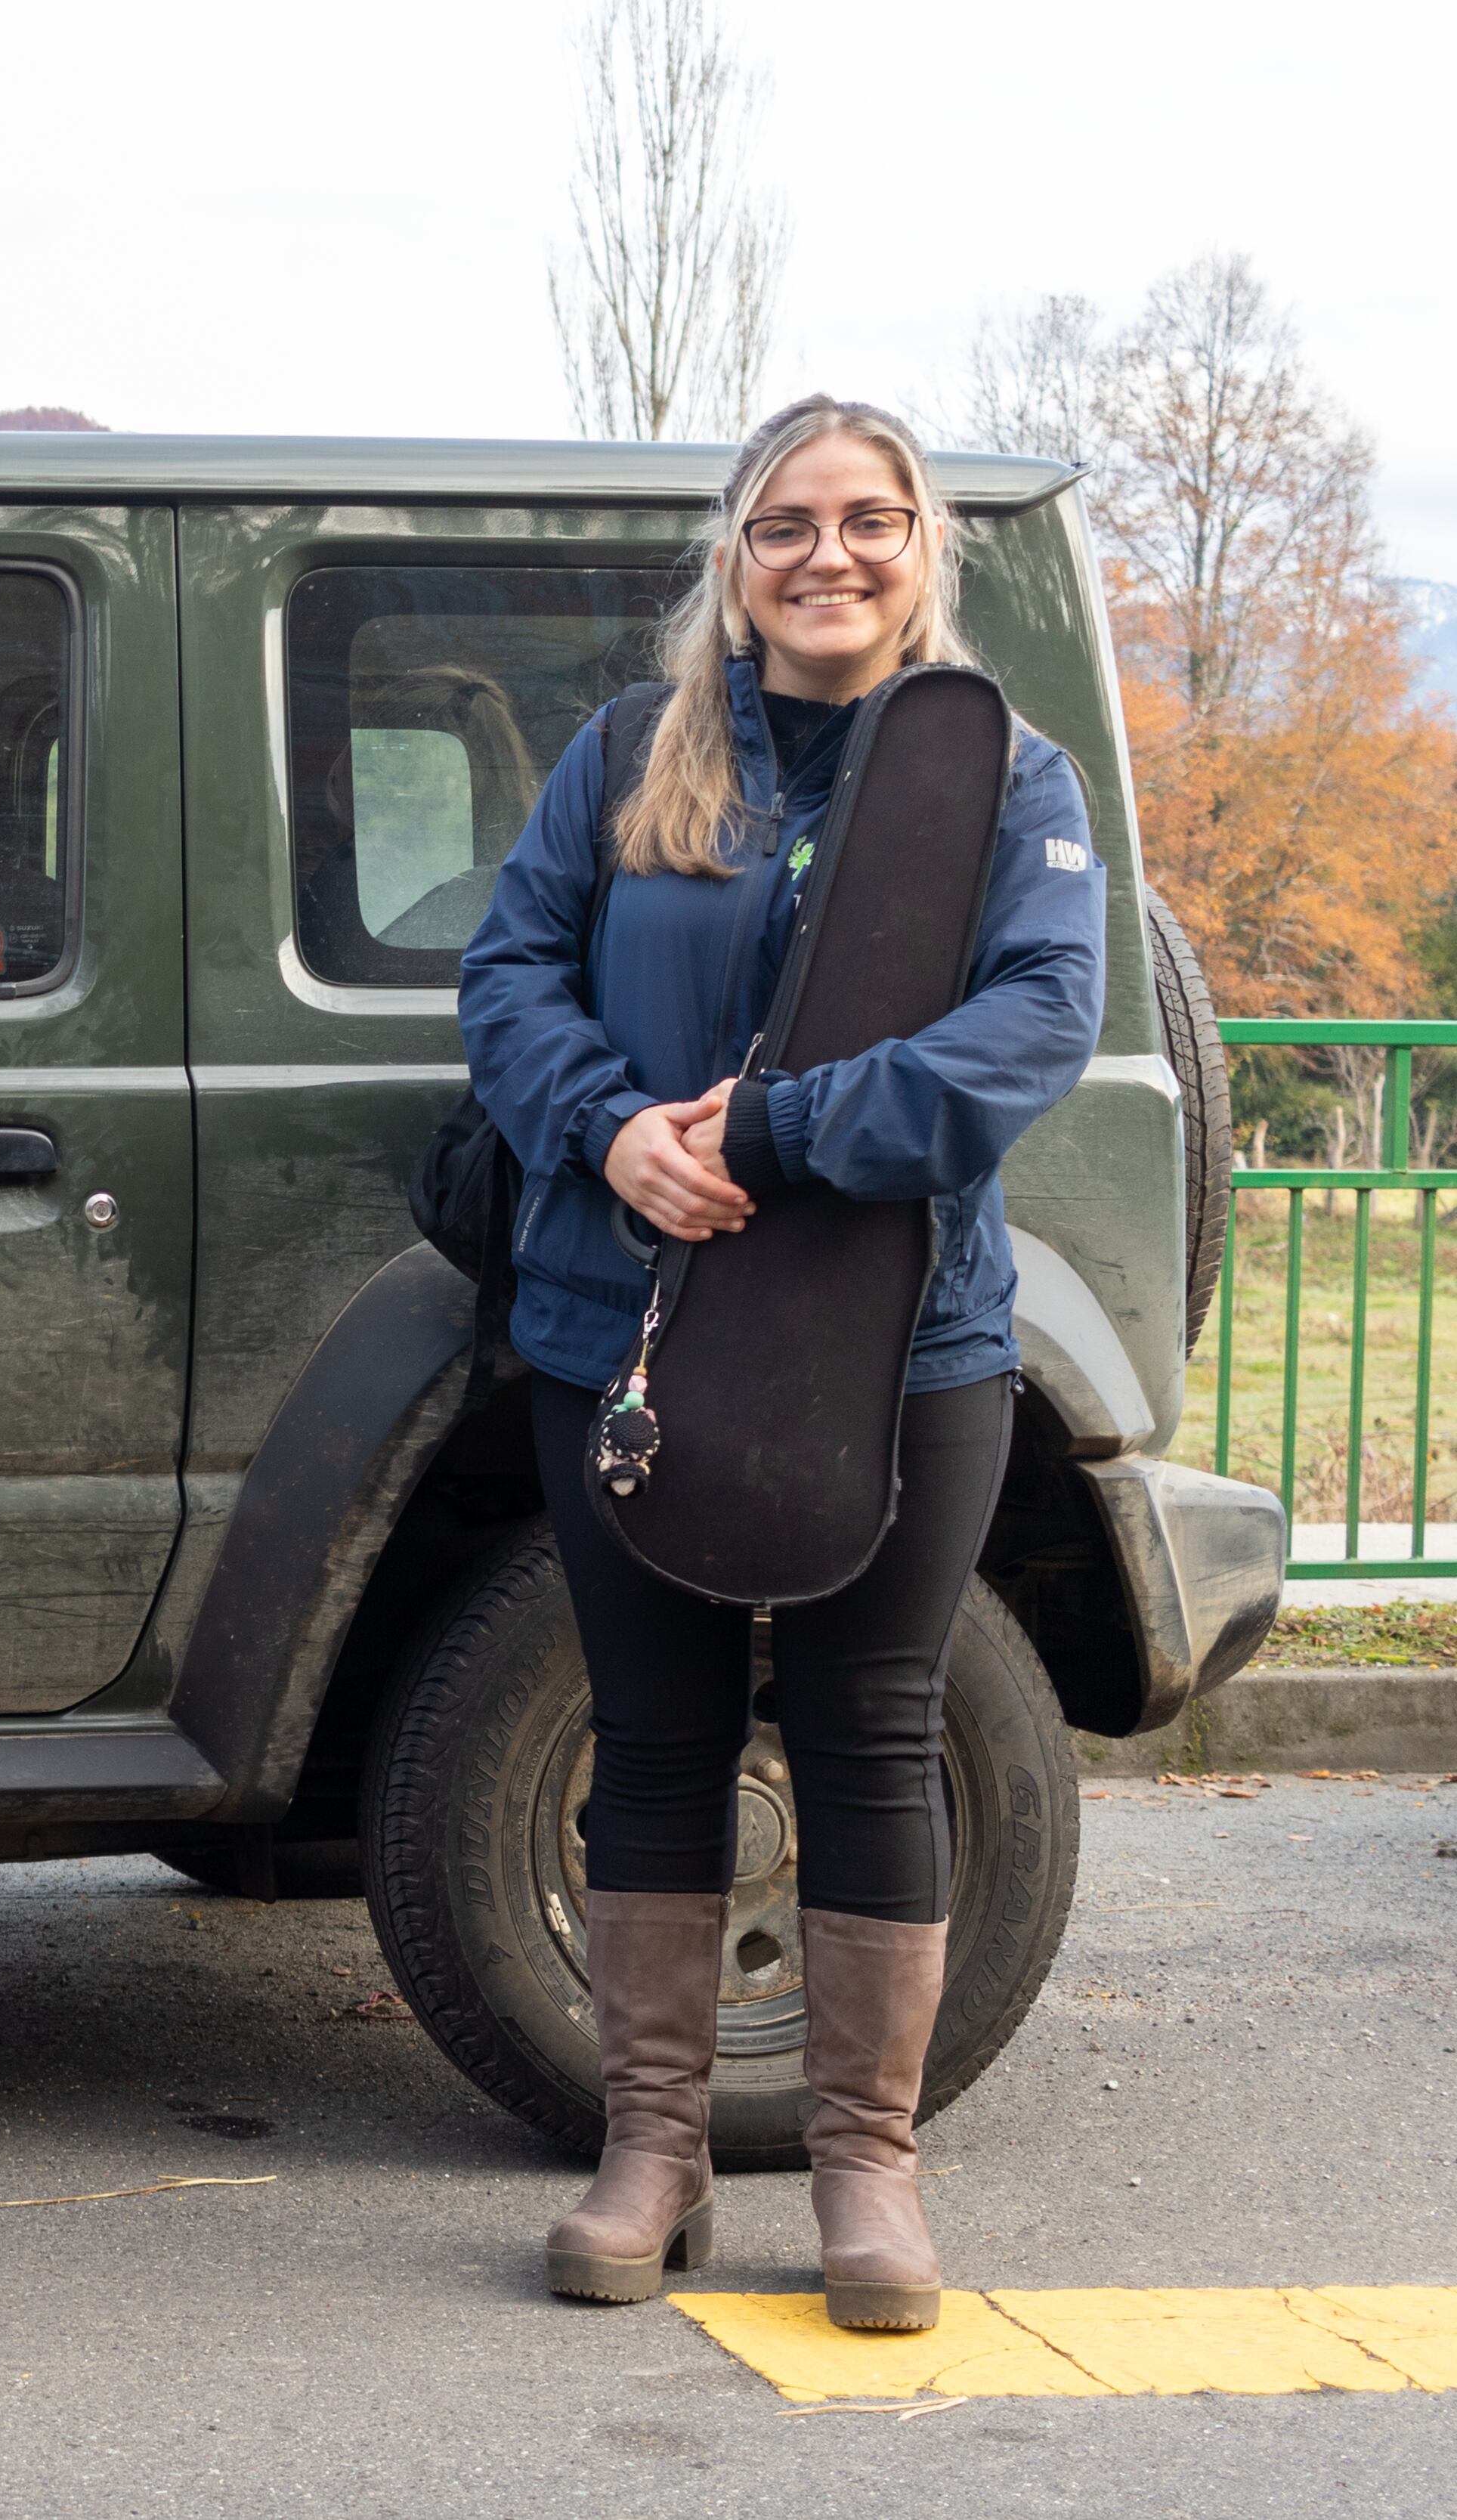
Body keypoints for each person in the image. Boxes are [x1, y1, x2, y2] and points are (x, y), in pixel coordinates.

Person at [456, 395, 1106, 2330]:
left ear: (927, 555)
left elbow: (1035, 1024)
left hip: (902, 1342)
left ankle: (866, 2172)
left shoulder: (1011, 780)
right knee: (651, 1732)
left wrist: (772, 1130)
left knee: (869, 1725)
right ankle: (648, 2154)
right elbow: (507, 976)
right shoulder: (624, 757)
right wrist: (609, 1126)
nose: (830, 553)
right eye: (787, 525)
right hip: (625, 1323)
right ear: (732, 562)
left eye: (872, 520)